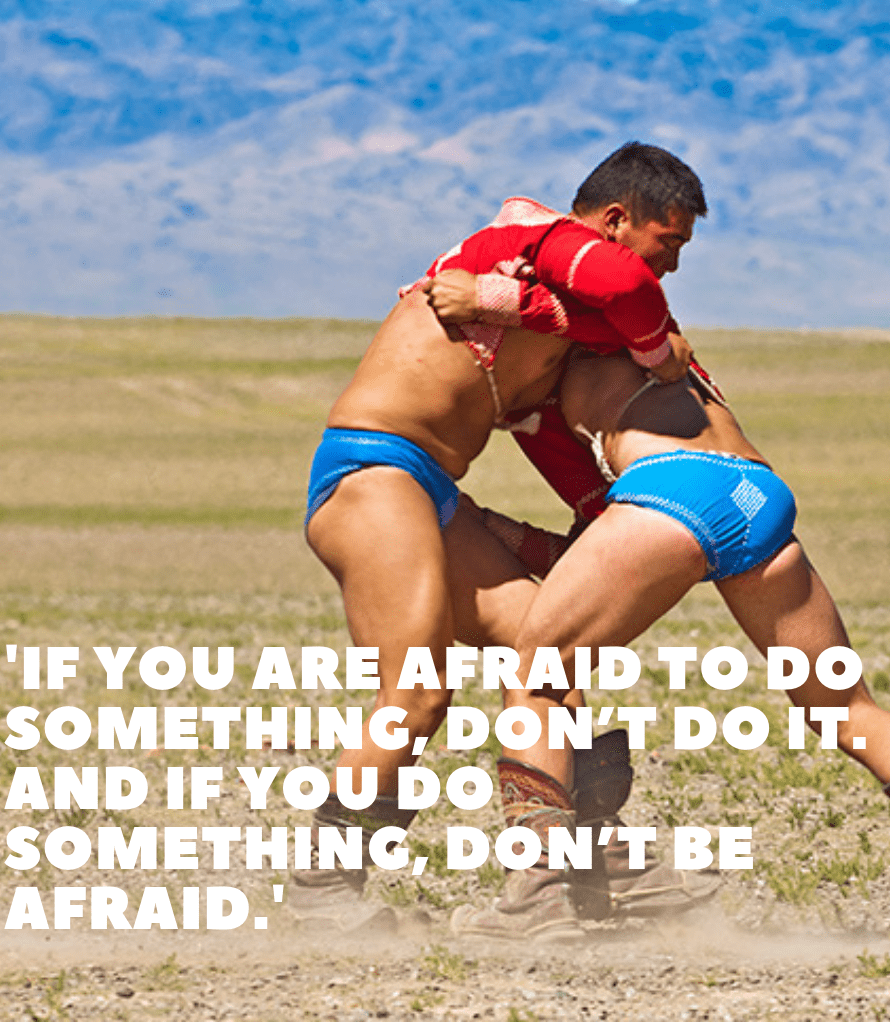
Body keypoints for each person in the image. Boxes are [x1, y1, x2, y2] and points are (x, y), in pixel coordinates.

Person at [450, 348, 890, 945]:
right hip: (756, 492)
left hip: (671, 487)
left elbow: (619, 529)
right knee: (847, 708)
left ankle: (539, 894)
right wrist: (507, 533)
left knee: (535, 675)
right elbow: (596, 549)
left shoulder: (565, 326)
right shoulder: (644, 341)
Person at [291, 143, 712, 930]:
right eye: (670, 244)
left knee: (546, 652)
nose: (672, 269)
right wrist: (658, 352)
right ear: (616, 220)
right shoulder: (532, 242)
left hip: (435, 494)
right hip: (372, 469)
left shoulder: (544, 325)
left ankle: (574, 872)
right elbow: (624, 285)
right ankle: (321, 898)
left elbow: (571, 471)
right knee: (418, 688)